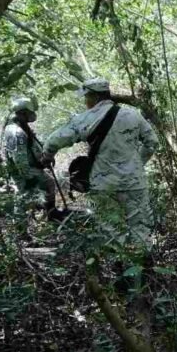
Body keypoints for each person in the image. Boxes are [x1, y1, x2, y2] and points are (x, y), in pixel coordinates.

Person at [41, 78, 158, 250]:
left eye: (86, 97)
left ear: (94, 97)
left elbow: (54, 140)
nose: (85, 102)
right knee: (140, 228)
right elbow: (152, 142)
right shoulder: (133, 115)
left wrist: (48, 156)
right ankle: (143, 261)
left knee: (111, 230)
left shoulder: (85, 118)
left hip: (103, 184)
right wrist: (138, 164)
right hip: (134, 183)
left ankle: (119, 262)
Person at [2, 97, 59, 222]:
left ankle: (51, 214)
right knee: (24, 197)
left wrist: (45, 156)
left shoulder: (18, 125)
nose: (32, 115)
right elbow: (19, 160)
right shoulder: (17, 132)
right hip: (23, 171)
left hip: (28, 168)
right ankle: (20, 227)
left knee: (48, 183)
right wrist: (29, 179)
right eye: (30, 112)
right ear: (23, 113)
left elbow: (32, 145)